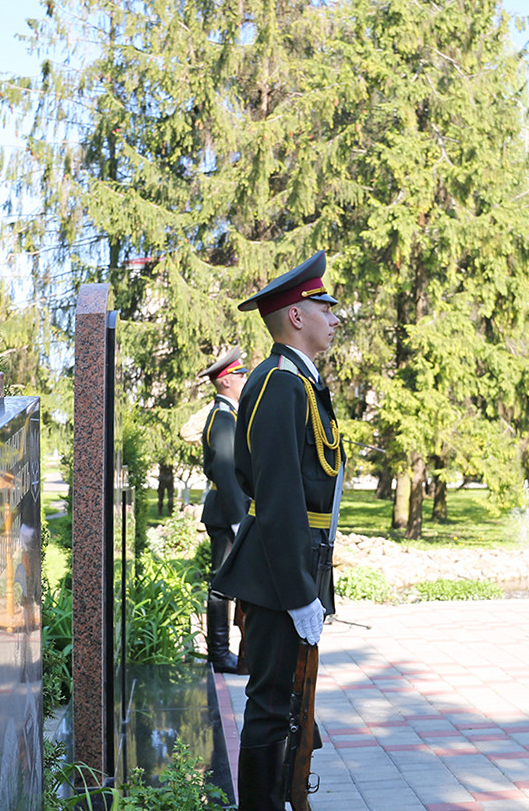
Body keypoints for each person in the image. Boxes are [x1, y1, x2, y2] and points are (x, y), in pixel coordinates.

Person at [211, 249, 342, 811]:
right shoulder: (280, 383)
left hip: (294, 561)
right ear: (295, 315)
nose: (335, 317)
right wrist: (298, 591)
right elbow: (282, 492)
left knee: (289, 702)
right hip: (277, 571)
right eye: (324, 306)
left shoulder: (298, 382)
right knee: (269, 706)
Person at [196, 346, 250, 674]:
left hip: (227, 509)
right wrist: (238, 521)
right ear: (227, 380)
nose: (246, 379)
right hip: (227, 512)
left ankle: (221, 651)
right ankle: (218, 654)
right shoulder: (223, 418)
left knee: (224, 581)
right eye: (241, 375)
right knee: (220, 584)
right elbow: (226, 472)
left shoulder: (226, 416)